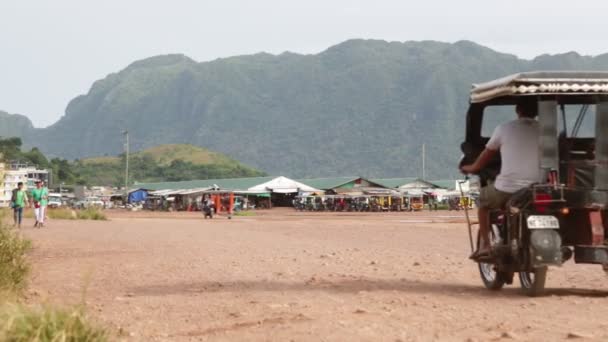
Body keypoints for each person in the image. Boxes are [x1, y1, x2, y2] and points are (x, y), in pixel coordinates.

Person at [460, 100, 540, 260]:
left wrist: (473, 167)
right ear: (537, 112)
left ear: (517, 110)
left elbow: (486, 155)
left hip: (507, 189)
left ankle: (485, 246)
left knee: (483, 202)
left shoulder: (504, 129)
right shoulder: (547, 131)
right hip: (537, 189)